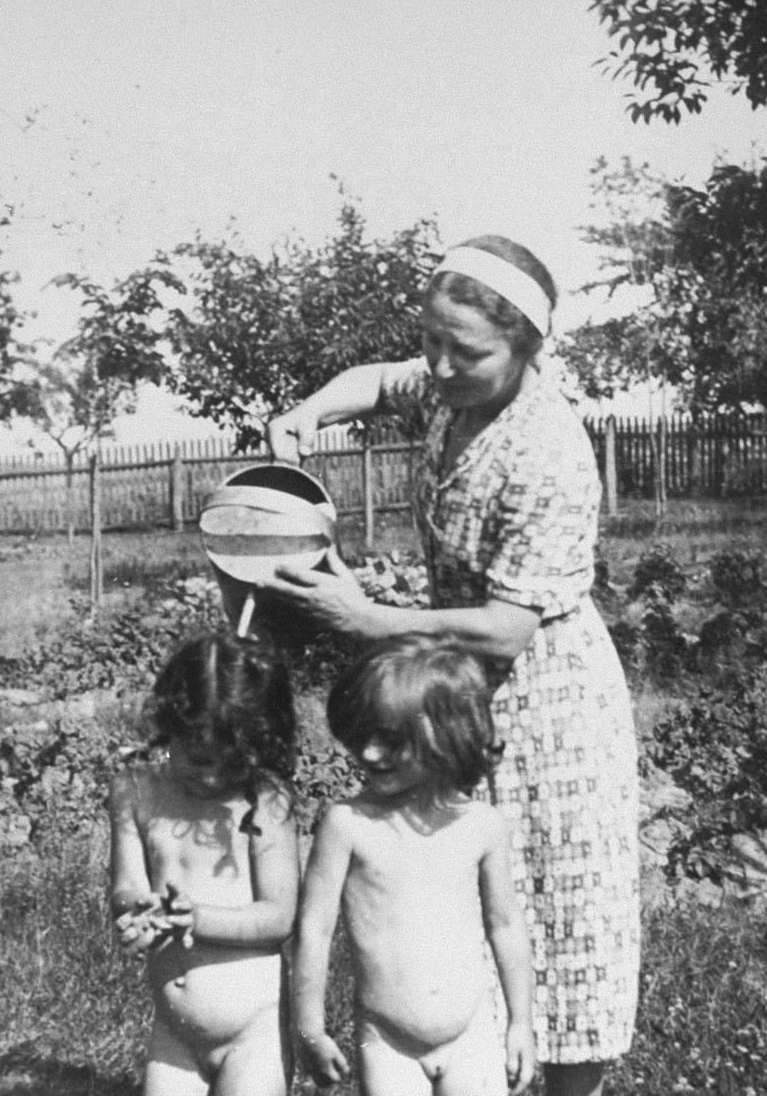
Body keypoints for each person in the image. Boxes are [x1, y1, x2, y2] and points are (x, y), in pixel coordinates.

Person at [262, 235, 638, 1096]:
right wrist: (311, 409)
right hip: (456, 691)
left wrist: (369, 621)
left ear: (528, 348)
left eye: (463, 350)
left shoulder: (547, 447)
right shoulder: (442, 388)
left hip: (548, 703)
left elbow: (510, 629)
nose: (436, 362)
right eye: (430, 337)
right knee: (448, 897)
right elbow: (380, 380)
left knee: (564, 919)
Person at [293, 637, 535, 1096]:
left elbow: (506, 926)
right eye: (360, 736)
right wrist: (311, 1029)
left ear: (447, 738)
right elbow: (314, 930)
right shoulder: (348, 825)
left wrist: (521, 1022)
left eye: (390, 740)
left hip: (473, 1032)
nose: (368, 754)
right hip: (387, 1040)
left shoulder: (482, 825)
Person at [107, 633, 302, 1096]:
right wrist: (135, 910)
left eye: (232, 763)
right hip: (175, 1034)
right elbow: (125, 885)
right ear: (170, 725)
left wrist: (198, 918)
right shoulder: (135, 793)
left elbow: (278, 917)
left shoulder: (264, 803)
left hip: (255, 1035)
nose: (212, 776)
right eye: (197, 758)